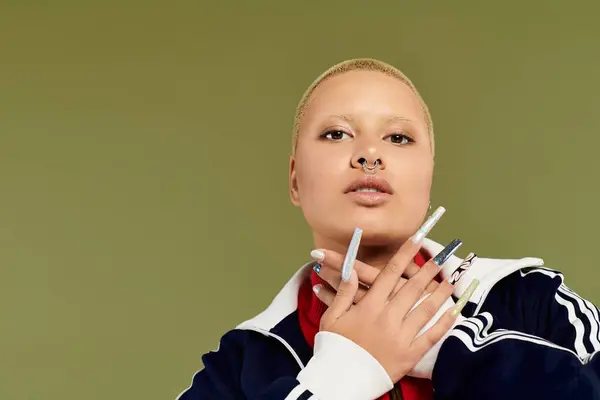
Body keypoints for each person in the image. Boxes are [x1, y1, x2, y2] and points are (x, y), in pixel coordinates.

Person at [176, 58, 600, 400]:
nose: (369, 155)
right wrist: (344, 375)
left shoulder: (535, 301)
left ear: (429, 178)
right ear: (294, 181)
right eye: (336, 133)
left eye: (398, 138)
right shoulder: (239, 365)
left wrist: (445, 345)